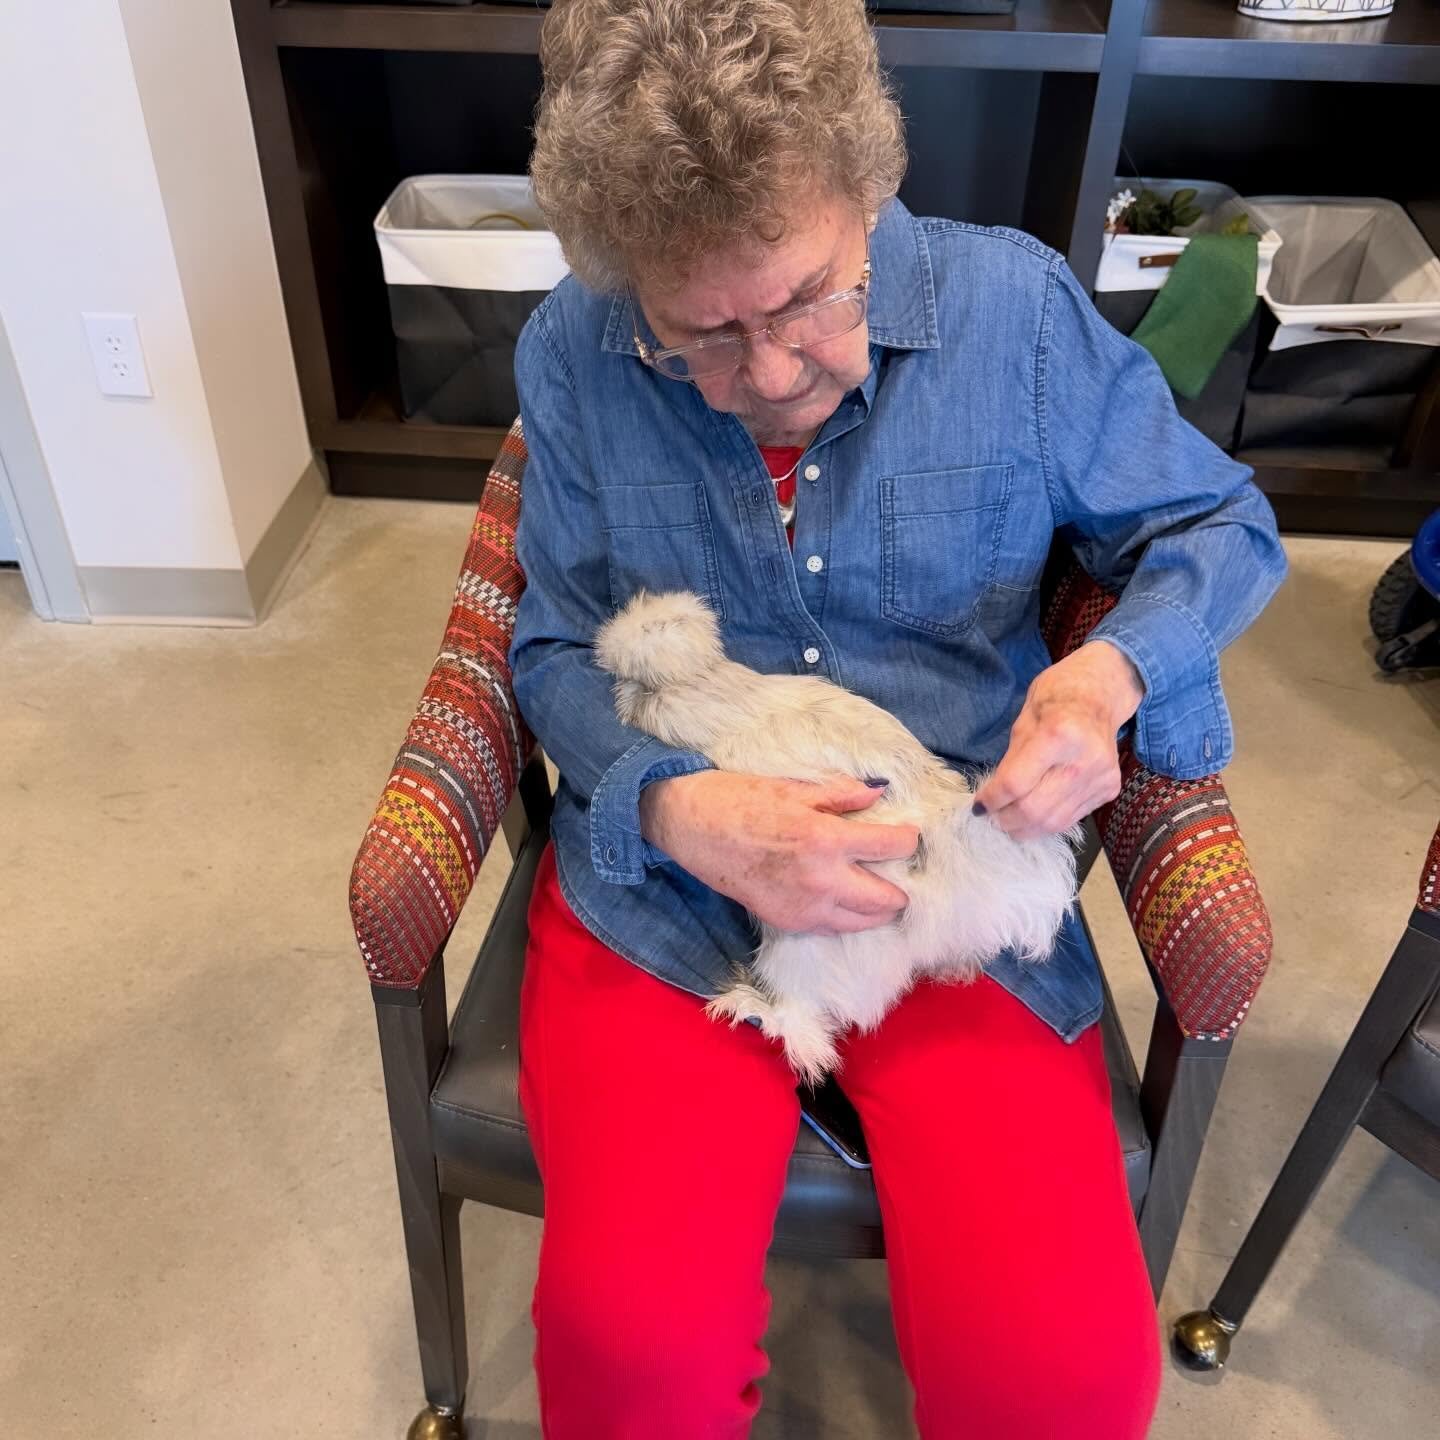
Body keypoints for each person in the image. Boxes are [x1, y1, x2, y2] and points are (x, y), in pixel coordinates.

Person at [508, 2, 1286, 1435]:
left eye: (811, 296)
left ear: (865, 191)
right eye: (705, 336)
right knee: (630, 1356)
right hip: (677, 896)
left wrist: (1104, 674)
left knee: (1059, 1380)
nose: (777, 374)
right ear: (632, 294)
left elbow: (1222, 525)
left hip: (940, 885)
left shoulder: (1014, 313)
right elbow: (551, 646)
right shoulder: (571, 352)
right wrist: (679, 809)